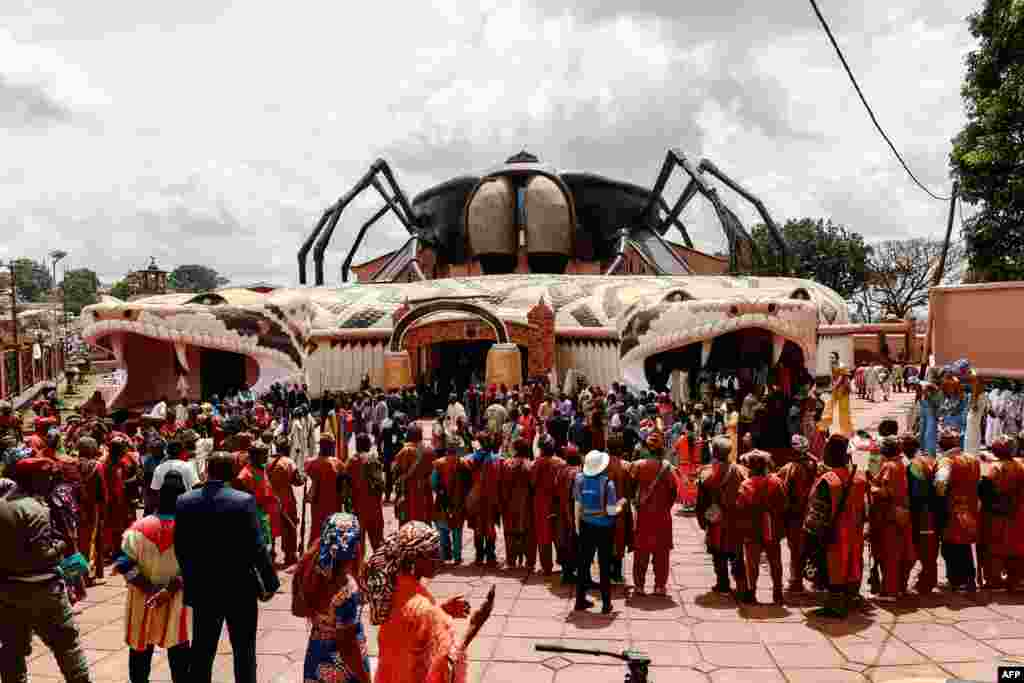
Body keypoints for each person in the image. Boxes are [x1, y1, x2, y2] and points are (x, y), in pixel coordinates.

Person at [174, 453, 280, 683]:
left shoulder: (184, 501)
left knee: (202, 649)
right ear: (232, 473)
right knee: (244, 650)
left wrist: (192, 581)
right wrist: (270, 582)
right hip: (240, 588)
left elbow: (180, 549)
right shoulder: (243, 501)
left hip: (204, 589)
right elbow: (257, 547)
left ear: (207, 470)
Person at [0, 457, 90, 681]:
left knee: (12, 648)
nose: (50, 480)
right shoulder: (35, 509)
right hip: (44, 591)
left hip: (7, 591)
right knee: (67, 643)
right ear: (33, 480)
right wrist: (61, 544)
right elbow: (43, 556)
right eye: (46, 477)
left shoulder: (3, 504)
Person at [114, 469, 191, 683]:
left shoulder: (137, 529)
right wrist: (168, 591)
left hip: (143, 601)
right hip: (176, 602)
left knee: (140, 653)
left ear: (158, 497)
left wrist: (149, 588)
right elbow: (196, 568)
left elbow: (123, 563)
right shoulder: (191, 531)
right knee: (180, 654)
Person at [299, 513, 371, 683]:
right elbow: (348, 646)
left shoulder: (310, 570)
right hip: (343, 668)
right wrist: (364, 678)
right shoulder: (346, 589)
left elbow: (298, 609)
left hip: (316, 659)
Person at [802, 434, 867, 619]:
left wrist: (810, 536)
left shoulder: (828, 480)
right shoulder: (860, 477)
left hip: (834, 533)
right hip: (855, 530)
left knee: (834, 566)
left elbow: (816, 514)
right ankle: (850, 598)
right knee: (852, 564)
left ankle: (835, 605)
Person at [696, 436, 749, 595]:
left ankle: (722, 584)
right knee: (737, 553)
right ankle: (741, 585)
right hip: (736, 518)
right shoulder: (741, 471)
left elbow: (701, 501)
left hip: (716, 519)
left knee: (718, 553)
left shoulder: (707, 473)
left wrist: (702, 519)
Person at [735, 450, 786, 605]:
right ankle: (778, 593)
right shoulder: (776, 482)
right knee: (775, 561)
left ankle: (752, 592)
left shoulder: (746, 485)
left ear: (750, 467)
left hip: (752, 529)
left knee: (752, 563)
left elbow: (740, 508)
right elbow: (784, 504)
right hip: (773, 529)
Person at [629, 431, 675, 596]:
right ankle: (660, 586)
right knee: (661, 552)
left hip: (643, 514)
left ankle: (639, 585)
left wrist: (637, 502)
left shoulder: (638, 466)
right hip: (662, 515)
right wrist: (665, 506)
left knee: (641, 551)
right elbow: (673, 493)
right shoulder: (667, 468)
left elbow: (631, 488)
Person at [775, 435, 822, 593]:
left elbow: (781, 490)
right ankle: (817, 580)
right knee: (812, 548)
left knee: (796, 550)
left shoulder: (790, 468)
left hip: (796, 515)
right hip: (814, 514)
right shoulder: (815, 466)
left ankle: (796, 582)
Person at [935, 428, 980, 592]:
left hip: (953, 509)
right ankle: (969, 579)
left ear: (942, 445)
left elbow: (940, 484)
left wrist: (938, 500)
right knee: (965, 545)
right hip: (970, 508)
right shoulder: (972, 459)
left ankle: (956, 580)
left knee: (951, 546)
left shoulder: (947, 461)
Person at [978, 435, 1024, 589]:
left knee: (994, 546)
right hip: (1015, 511)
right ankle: (1014, 578)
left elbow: (986, 490)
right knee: (1013, 547)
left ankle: (993, 579)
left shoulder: (995, 468)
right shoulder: (1019, 465)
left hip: (996, 512)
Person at [904, 433, 940, 594]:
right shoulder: (928, 459)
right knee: (929, 550)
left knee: (921, 548)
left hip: (922, 513)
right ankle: (928, 581)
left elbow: (918, 493)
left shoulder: (914, 465)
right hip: (932, 510)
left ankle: (924, 583)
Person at [462, 432, 502, 566]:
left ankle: (479, 557)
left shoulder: (471, 459)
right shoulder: (496, 459)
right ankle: (491, 557)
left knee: (478, 527)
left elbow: (464, 462)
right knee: (490, 526)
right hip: (491, 497)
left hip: (476, 497)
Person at [267, 434, 305, 567]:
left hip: (270, 500)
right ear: (287, 448)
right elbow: (298, 482)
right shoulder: (289, 462)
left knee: (270, 528)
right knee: (289, 528)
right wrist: (302, 477)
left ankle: (270, 554)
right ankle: (289, 555)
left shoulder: (267, 461)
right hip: (286, 501)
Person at [529, 435, 564, 576]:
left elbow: (532, 482)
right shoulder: (561, 462)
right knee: (559, 534)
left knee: (544, 535)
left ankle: (547, 567)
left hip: (541, 503)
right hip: (557, 502)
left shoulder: (537, 463)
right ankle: (564, 564)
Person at [346, 433, 386, 552]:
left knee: (358, 544)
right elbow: (381, 485)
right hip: (374, 507)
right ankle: (378, 567)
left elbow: (345, 488)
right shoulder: (374, 460)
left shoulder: (350, 461)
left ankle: (359, 568)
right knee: (377, 542)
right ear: (368, 445)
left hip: (357, 507)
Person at [500, 438, 534, 570]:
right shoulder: (530, 465)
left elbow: (503, 486)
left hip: (509, 504)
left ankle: (511, 560)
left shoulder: (507, 464)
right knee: (528, 534)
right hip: (526, 504)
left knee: (510, 534)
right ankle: (529, 562)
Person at [431, 443, 468, 564]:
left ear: (446, 453)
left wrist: (440, 491)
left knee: (442, 532)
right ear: (457, 453)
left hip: (442, 503)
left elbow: (433, 484)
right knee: (457, 532)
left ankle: (443, 556)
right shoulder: (463, 463)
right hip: (458, 503)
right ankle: (457, 558)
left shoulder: (439, 464)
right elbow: (468, 484)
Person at [393, 424, 435, 526]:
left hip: (408, 491)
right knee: (425, 522)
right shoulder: (429, 450)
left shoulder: (405, 451)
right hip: (425, 491)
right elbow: (433, 471)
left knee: (408, 522)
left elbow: (395, 471)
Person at [305, 434, 342, 549]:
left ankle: (313, 553)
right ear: (331, 447)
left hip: (317, 501)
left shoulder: (311, 463)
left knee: (316, 528)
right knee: (333, 527)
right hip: (333, 501)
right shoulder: (337, 463)